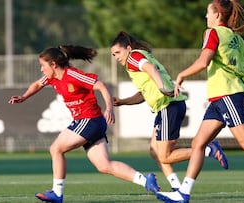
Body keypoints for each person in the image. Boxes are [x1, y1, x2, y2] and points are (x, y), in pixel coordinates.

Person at [156, 0, 244, 202]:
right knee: (198, 143)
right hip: (220, 97)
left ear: (217, 15)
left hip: (227, 94)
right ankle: (183, 193)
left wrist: (181, 75)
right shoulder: (236, 38)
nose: (206, 17)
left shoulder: (212, 33)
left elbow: (203, 61)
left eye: (208, 13)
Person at [8, 45, 160, 203]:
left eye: (43, 65)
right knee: (103, 165)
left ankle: (57, 193)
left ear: (53, 64)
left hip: (89, 120)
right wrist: (24, 97)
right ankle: (145, 180)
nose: (41, 69)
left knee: (56, 149)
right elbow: (37, 84)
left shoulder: (72, 75)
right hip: (93, 123)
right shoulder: (51, 77)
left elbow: (101, 86)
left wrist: (109, 108)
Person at [110, 31, 229, 192]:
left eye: (118, 52)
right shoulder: (140, 56)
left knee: (164, 155)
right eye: (113, 54)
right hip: (166, 107)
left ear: (128, 48)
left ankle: (208, 149)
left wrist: (162, 88)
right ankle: (176, 186)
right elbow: (144, 93)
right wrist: (123, 102)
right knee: (154, 150)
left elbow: (151, 69)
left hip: (168, 106)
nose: (116, 57)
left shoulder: (133, 57)